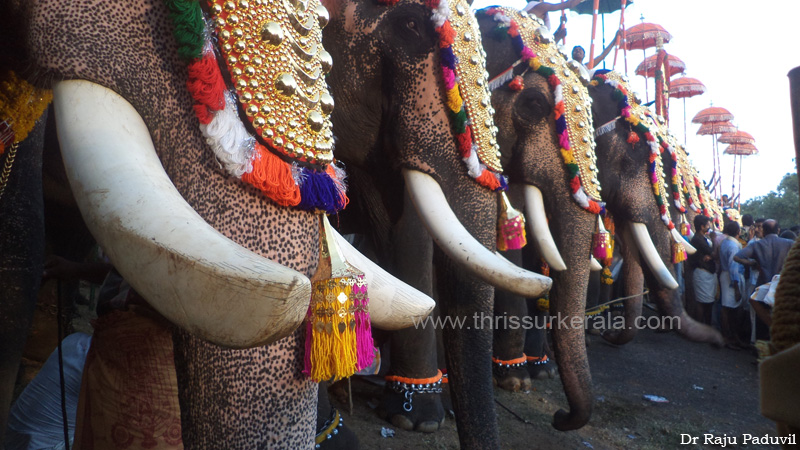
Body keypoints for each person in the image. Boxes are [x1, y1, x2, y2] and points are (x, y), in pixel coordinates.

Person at [718, 221, 746, 349]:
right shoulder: (733, 246)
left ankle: (730, 337)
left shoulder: (725, 242)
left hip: (725, 275)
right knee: (729, 308)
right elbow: (733, 267)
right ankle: (728, 338)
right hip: (731, 278)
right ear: (738, 232)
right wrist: (736, 287)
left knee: (727, 307)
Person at [689, 215, 717, 324]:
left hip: (706, 274)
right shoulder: (698, 239)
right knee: (704, 303)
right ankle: (703, 325)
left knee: (705, 302)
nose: (709, 227)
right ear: (702, 227)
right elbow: (712, 252)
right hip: (703, 273)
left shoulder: (701, 238)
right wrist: (714, 240)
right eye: (707, 225)